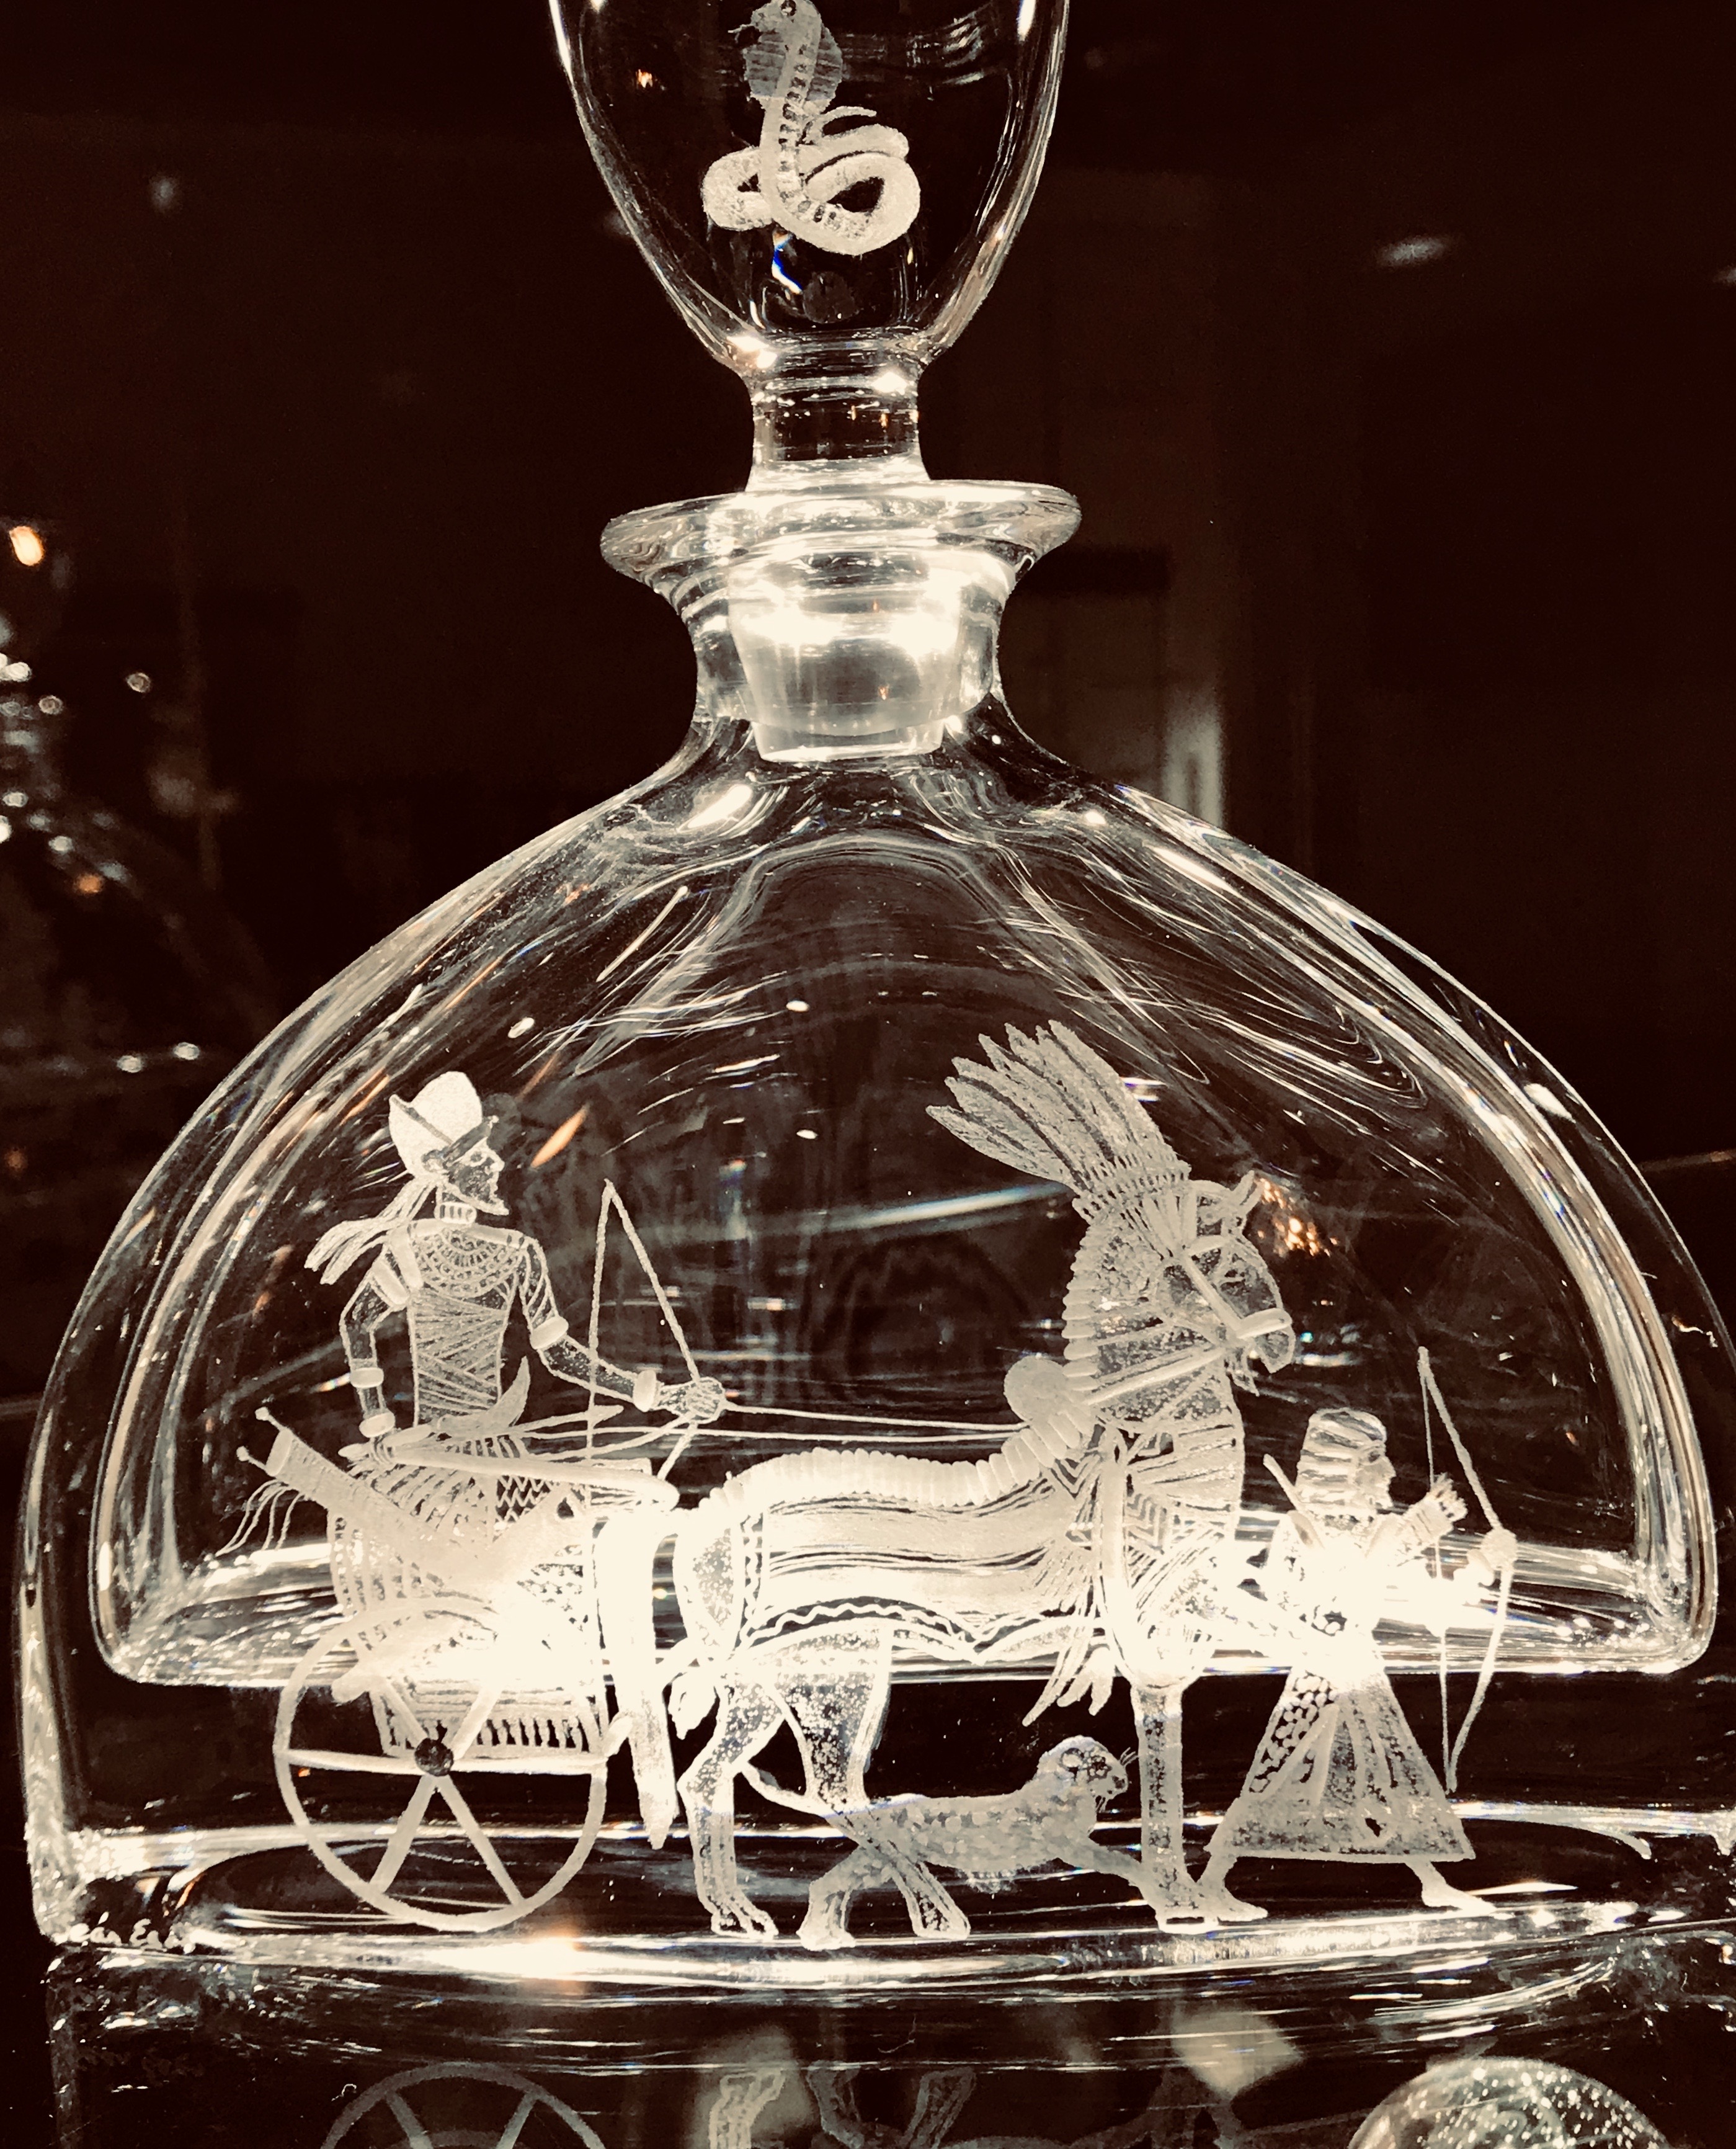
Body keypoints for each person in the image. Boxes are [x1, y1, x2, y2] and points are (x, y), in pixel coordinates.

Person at [1199, 1406, 1507, 1920]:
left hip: (1359, 1668)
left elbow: (1433, 1611)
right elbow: (1289, 1599)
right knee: (1278, 1769)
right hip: (1320, 1667)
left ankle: (1431, 1883)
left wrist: (1480, 1566)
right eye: (1374, 1459)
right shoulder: (1298, 1529)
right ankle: (1211, 1879)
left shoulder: (1383, 1532)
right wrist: (1410, 1532)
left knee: (1389, 1772)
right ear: (1344, 1468)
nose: (1388, 1471)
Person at [306, 1068, 723, 1446]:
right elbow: (357, 1322)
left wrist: (663, 1396)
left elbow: (559, 1353)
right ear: (440, 1168)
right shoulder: (412, 1247)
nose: (494, 1163)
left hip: (493, 1441)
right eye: (478, 1156)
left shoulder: (518, 1252)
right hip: (430, 1448)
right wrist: (378, 1424)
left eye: (488, 1152)